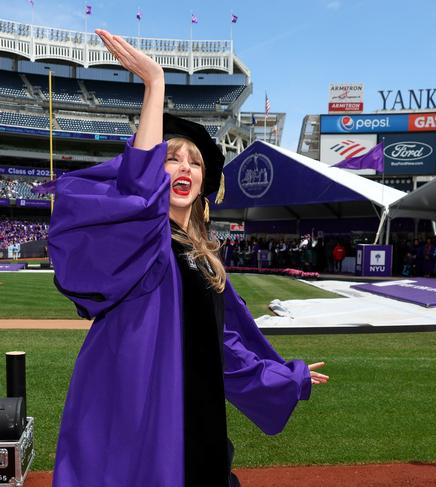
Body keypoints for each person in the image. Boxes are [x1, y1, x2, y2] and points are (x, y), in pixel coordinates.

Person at [42, 29, 328, 487]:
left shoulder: (203, 258)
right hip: (136, 408)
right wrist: (155, 83)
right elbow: (137, 194)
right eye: (172, 160)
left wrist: (286, 377)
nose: (186, 170)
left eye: (194, 163)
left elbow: (223, 350)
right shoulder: (145, 238)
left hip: (193, 412)